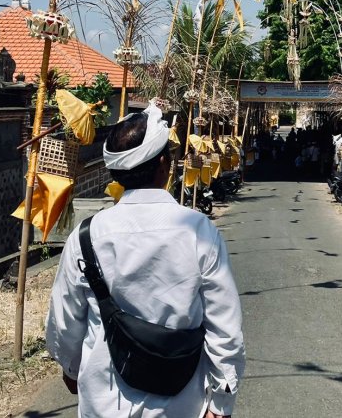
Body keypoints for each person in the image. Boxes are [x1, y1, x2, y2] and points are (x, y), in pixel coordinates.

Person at [46, 102, 245, 417]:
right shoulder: (199, 232)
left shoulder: (85, 237)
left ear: (115, 173)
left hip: (104, 403)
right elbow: (224, 326)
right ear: (164, 164)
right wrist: (221, 402)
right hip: (180, 402)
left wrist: (71, 369)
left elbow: (65, 322)